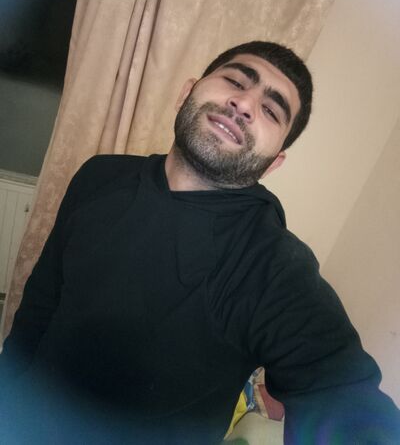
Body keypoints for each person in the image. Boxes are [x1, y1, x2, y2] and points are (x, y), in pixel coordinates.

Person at [0, 41, 399, 444]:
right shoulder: (98, 176)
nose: (245, 104)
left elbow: (345, 398)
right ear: (186, 92)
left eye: (271, 110)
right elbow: (41, 301)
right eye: (236, 81)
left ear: (273, 162)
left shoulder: (272, 265)